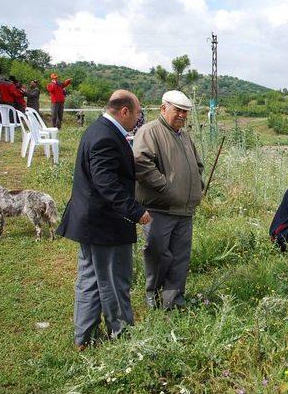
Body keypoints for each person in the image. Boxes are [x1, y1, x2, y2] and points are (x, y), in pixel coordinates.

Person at [56, 90, 151, 350]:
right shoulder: (106, 138)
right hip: (105, 224)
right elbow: (106, 183)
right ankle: (121, 335)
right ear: (124, 112)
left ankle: (83, 337)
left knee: (89, 280)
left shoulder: (99, 130)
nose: (139, 118)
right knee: (114, 280)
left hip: (92, 224)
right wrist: (135, 210)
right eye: (138, 113)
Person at [132, 90, 204, 310]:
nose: (182, 115)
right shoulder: (150, 132)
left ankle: (173, 300)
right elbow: (141, 163)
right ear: (163, 109)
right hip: (159, 208)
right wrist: (166, 187)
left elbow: (197, 165)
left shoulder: (183, 135)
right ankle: (152, 294)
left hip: (184, 210)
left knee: (180, 258)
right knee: (158, 255)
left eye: (186, 112)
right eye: (178, 110)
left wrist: (197, 186)